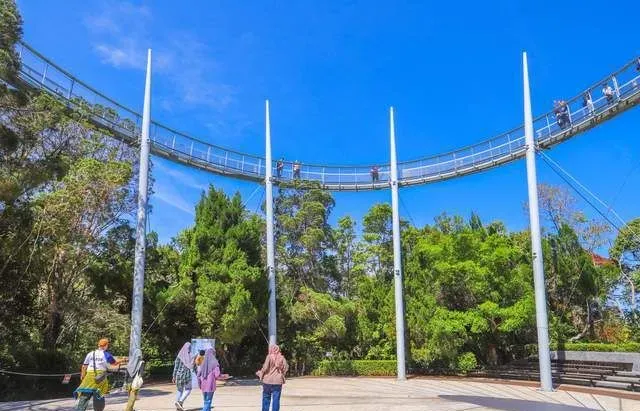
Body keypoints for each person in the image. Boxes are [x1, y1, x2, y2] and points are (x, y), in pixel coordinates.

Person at [74, 338, 120, 411]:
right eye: (107, 345)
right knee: (99, 395)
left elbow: (84, 366)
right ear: (106, 345)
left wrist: (82, 375)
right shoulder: (106, 354)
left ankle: (80, 410)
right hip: (100, 378)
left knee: (85, 395)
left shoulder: (90, 353)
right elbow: (114, 363)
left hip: (89, 377)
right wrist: (122, 361)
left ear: (99, 345)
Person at [256, 344, 289, 411]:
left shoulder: (269, 357)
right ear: (278, 349)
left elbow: (265, 368)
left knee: (266, 397)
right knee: (276, 399)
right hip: (278, 382)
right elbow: (286, 368)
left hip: (267, 381)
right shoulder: (282, 358)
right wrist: (282, 373)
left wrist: (260, 373)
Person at [172, 342, 194, 411]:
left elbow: (176, 367)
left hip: (178, 376)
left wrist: (174, 376)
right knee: (188, 389)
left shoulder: (179, 356)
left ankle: (178, 407)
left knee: (179, 390)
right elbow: (192, 366)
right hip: (187, 376)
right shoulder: (190, 356)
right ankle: (180, 402)